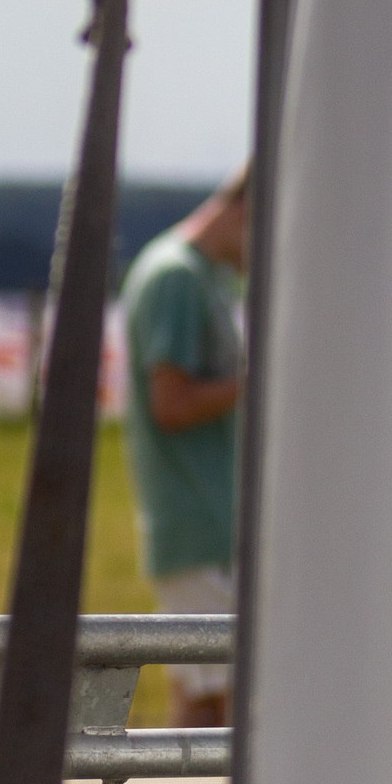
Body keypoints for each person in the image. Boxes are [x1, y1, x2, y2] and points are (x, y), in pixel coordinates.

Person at [120, 166, 248, 727]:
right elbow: (170, 404)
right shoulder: (176, 277)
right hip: (198, 516)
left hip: (207, 520)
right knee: (228, 709)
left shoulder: (198, 275)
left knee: (200, 701)